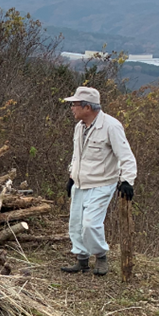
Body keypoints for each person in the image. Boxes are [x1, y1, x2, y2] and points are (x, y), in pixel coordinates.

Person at [61, 86, 137, 276]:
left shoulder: (111, 126)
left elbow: (126, 156)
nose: (72, 108)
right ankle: (82, 260)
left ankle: (101, 256)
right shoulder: (79, 127)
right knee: (76, 224)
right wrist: (71, 177)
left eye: (75, 104)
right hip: (80, 183)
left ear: (87, 107)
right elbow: (77, 156)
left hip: (102, 183)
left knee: (90, 224)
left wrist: (127, 181)